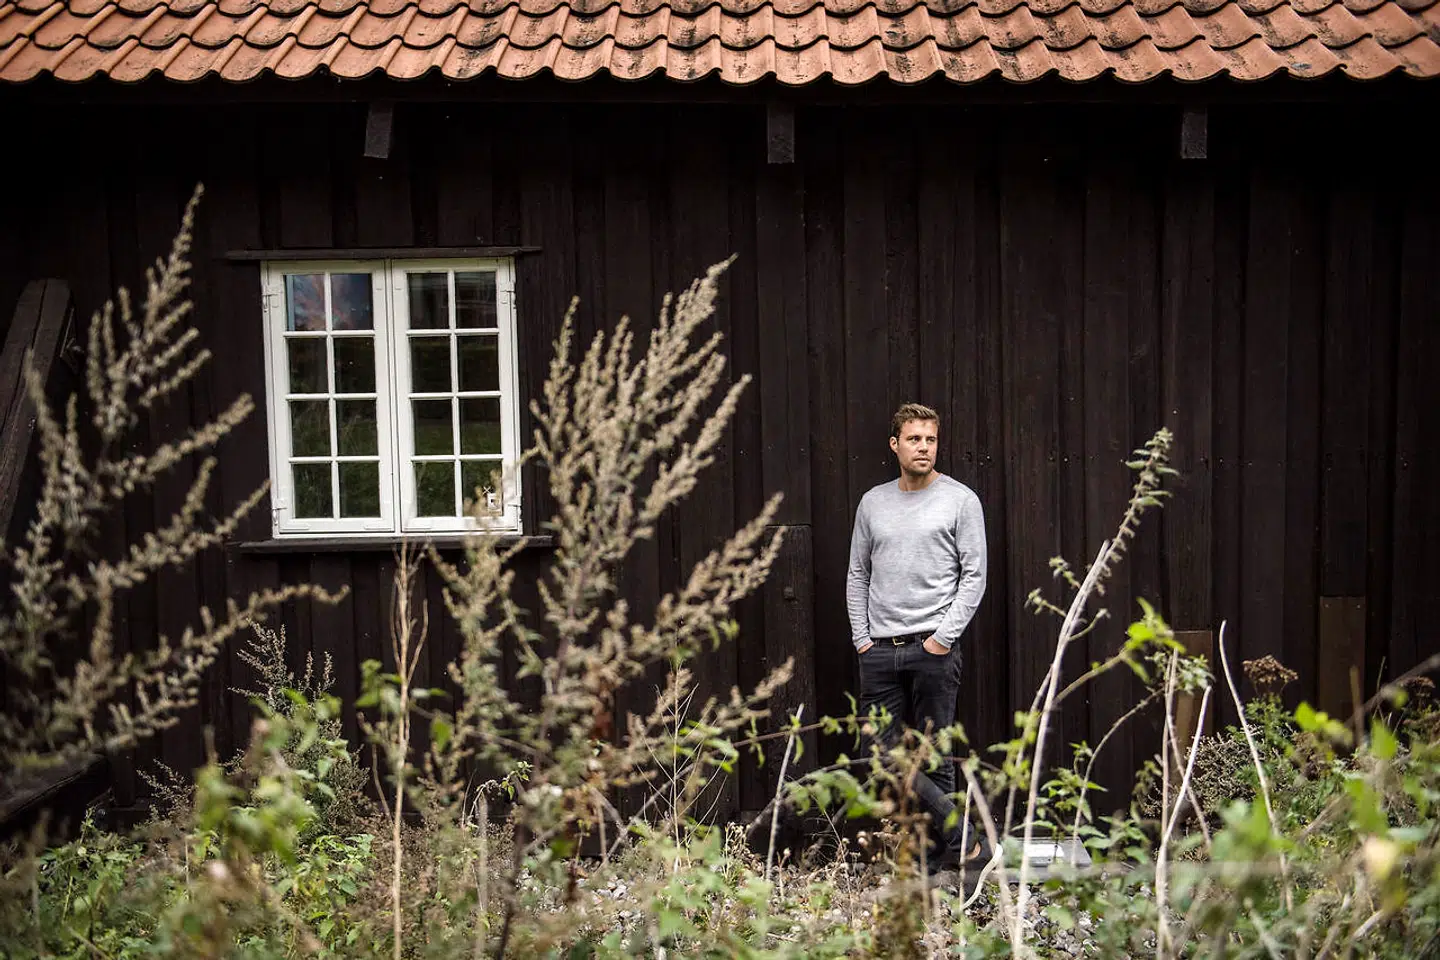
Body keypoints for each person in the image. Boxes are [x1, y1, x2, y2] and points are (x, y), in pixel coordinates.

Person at [846, 402, 993, 894]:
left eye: (930, 439)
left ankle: (934, 870)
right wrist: (862, 639)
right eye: (914, 439)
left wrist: (941, 638)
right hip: (879, 650)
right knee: (879, 755)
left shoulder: (960, 501)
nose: (923, 447)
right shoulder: (873, 503)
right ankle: (968, 840)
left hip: (934, 648)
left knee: (935, 759)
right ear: (895, 445)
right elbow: (858, 574)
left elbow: (974, 576)